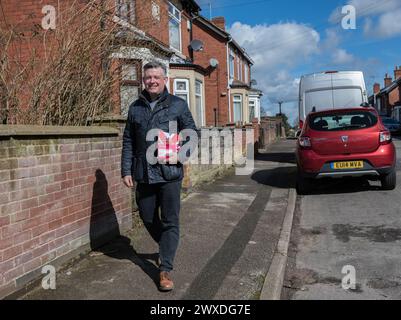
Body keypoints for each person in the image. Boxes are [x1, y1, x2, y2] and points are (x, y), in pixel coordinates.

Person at [121, 61, 197, 291]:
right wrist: (125, 170)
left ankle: (165, 269)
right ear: (144, 81)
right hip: (143, 173)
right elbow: (128, 140)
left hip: (169, 173)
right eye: (148, 78)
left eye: (156, 77)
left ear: (165, 80)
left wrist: (178, 150)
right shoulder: (135, 107)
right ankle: (167, 246)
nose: (152, 81)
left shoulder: (178, 105)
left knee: (170, 221)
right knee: (146, 216)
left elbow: (192, 133)